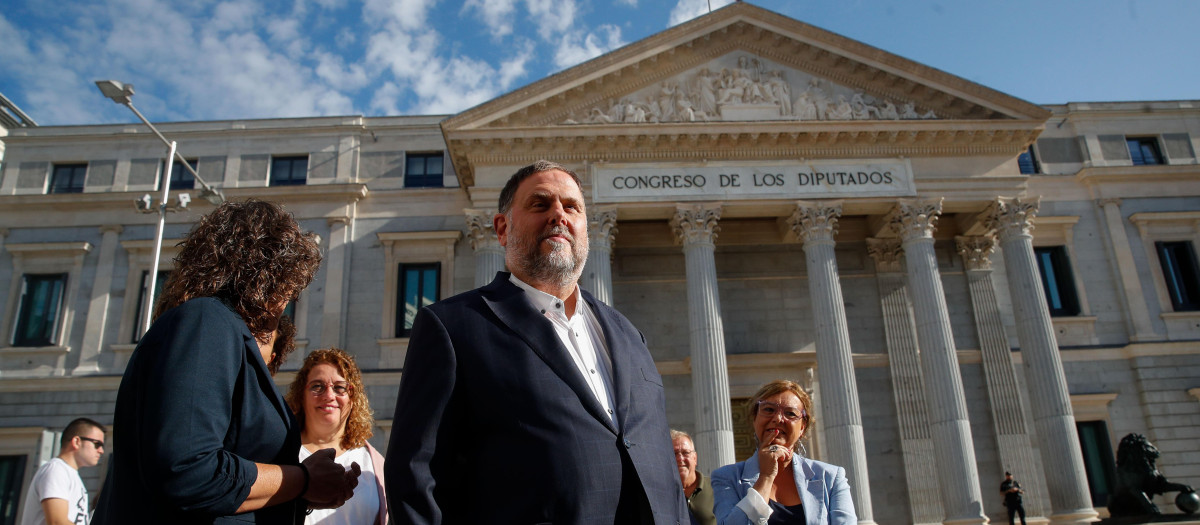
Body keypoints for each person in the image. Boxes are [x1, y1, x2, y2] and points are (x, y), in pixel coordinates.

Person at [385, 160, 687, 524]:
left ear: (586, 228)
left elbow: (662, 468)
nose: (559, 215)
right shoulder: (452, 327)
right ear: (502, 228)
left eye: (572, 207)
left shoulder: (628, 333)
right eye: (540, 204)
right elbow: (416, 476)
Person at [93, 199, 360, 525]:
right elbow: (188, 470)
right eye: (293, 284)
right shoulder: (206, 319)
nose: (290, 299)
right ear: (271, 270)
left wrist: (303, 491)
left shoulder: (212, 325)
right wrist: (303, 479)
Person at [711, 380, 855, 525]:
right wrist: (766, 477)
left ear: (802, 427)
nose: (778, 419)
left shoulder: (830, 478)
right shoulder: (726, 477)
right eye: (769, 410)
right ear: (755, 418)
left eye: (790, 413)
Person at [285, 349, 388, 525]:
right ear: (301, 395)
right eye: (317, 386)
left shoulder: (374, 464)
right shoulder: (282, 456)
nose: (329, 396)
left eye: (340, 388)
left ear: (352, 397)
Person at [19, 418, 106, 525]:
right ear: (76, 442)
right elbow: (57, 522)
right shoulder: (56, 470)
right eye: (97, 444)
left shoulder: (70, 474)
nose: (101, 451)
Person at [672, 430, 716, 525]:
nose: (680, 458)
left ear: (695, 458)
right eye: (674, 453)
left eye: (685, 453)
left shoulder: (716, 487)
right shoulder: (660, 491)